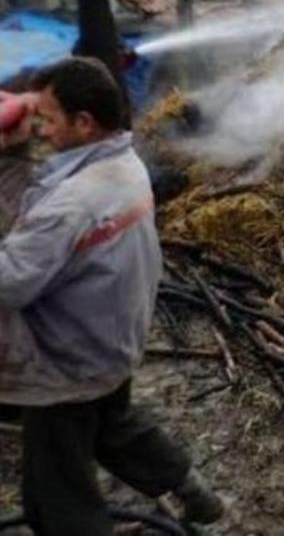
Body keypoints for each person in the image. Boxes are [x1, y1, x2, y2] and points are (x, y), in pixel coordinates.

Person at [0, 57, 223, 535]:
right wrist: (13, 158)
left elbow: (9, 282)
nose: (40, 129)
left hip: (63, 363)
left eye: (48, 119)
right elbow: (33, 221)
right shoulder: (122, 163)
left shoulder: (74, 201)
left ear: (84, 123)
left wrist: (10, 157)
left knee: (56, 497)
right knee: (112, 426)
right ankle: (191, 489)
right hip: (111, 343)